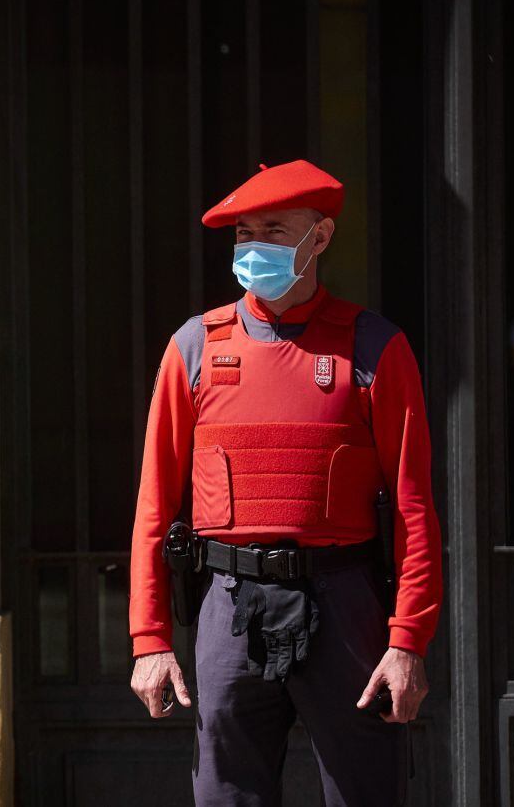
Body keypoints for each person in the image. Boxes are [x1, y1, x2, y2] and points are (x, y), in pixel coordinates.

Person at [128, 159, 443, 806]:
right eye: (244, 233)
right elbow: (155, 508)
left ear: (320, 237)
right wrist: (150, 639)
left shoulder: (374, 348)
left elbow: (414, 507)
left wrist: (407, 641)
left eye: (274, 229)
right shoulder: (193, 348)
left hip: (344, 600)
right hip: (229, 603)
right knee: (226, 795)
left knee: (366, 792)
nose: (253, 247)